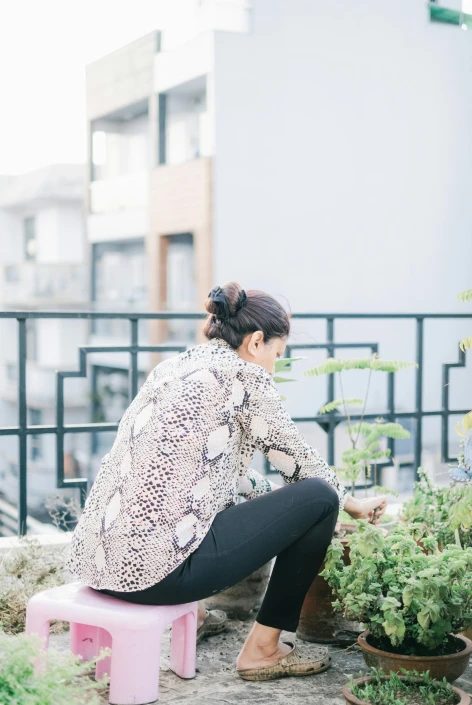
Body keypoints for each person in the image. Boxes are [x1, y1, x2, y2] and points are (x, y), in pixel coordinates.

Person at [68, 283, 387, 681]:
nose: (274, 366)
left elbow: (220, 478)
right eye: (276, 354)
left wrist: (283, 504)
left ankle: (197, 616)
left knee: (180, 503)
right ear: (256, 342)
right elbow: (302, 466)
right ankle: (263, 651)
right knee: (322, 498)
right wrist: (348, 502)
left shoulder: (174, 369)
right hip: (154, 579)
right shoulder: (244, 378)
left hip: (97, 566)